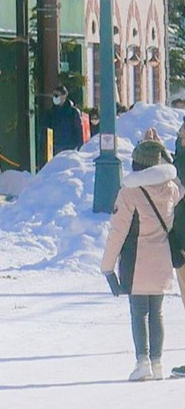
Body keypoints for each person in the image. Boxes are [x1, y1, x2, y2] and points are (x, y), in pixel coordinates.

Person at [101, 139, 180, 381]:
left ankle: (142, 361)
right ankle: (157, 363)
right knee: (157, 312)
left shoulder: (129, 192)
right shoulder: (171, 188)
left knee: (139, 313)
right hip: (162, 258)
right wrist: (162, 152)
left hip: (137, 261)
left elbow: (118, 232)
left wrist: (107, 267)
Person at [42, 85, 84, 154]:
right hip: (55, 149)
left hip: (71, 148)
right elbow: (45, 131)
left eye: (57, 95)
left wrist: (79, 147)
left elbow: (79, 130)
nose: (54, 97)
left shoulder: (73, 112)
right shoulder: (50, 113)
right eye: (54, 95)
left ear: (64, 96)